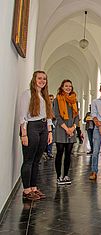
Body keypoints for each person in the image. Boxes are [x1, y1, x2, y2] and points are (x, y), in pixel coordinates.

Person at [19, 71, 54, 201]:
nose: (42, 81)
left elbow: (48, 115)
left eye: (44, 79)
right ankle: (26, 190)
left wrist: (49, 132)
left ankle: (33, 187)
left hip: (43, 128)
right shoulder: (27, 94)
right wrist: (24, 134)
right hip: (31, 127)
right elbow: (22, 116)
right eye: (39, 78)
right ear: (34, 79)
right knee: (28, 160)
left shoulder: (44, 95)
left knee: (36, 161)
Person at [53, 80, 79, 185]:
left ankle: (66, 175)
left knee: (68, 154)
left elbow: (77, 116)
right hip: (61, 129)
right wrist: (66, 129)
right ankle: (59, 176)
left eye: (70, 86)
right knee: (59, 153)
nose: (68, 88)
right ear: (62, 87)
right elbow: (57, 116)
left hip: (71, 131)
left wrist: (73, 128)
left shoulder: (74, 101)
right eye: (66, 86)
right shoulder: (57, 100)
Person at [45, 94, 55, 159]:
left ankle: (49, 152)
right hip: (45, 124)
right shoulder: (45, 106)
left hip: (53, 124)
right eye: (49, 99)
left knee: (51, 139)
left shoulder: (55, 107)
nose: (50, 100)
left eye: (51, 99)